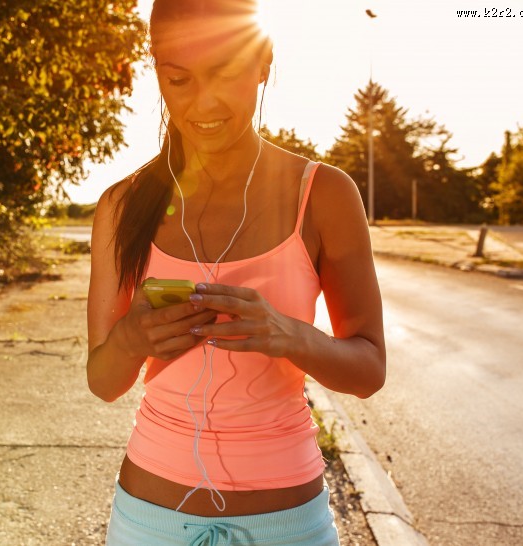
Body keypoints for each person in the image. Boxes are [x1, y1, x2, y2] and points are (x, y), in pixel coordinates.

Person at [86, 1, 386, 544]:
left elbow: (368, 369)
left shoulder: (323, 196)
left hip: (287, 523)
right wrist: (132, 339)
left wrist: (288, 335)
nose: (204, 102)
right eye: (178, 80)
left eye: (224, 72)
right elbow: (103, 382)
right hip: (148, 520)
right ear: (158, 72)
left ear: (263, 60)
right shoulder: (122, 205)